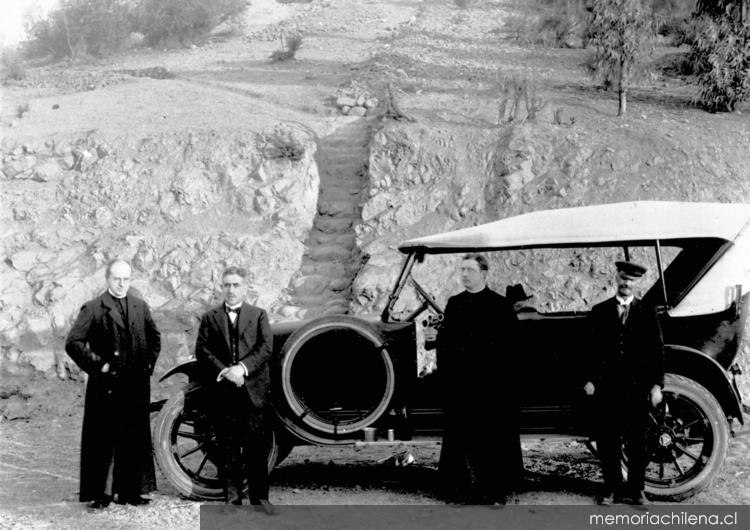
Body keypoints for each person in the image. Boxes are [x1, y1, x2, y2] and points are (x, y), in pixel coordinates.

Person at [426, 253, 522, 504]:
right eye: (462, 270)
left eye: (469, 269)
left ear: (484, 273)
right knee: (460, 439)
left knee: (491, 441)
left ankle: (493, 493)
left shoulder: (500, 306)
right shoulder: (455, 304)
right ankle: (459, 492)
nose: (464, 274)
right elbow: (445, 345)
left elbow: (511, 350)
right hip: (461, 385)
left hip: (491, 387)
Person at [65, 259, 161, 509]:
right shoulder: (94, 308)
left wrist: (146, 367)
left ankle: (130, 492)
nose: (121, 284)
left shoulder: (140, 307)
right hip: (106, 386)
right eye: (117, 279)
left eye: (126, 279)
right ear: (107, 279)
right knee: (103, 440)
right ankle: (102, 494)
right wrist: (100, 366)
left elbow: (154, 338)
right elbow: (73, 342)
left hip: (135, 386)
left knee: (133, 439)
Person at [195, 266, 278, 515]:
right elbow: (202, 349)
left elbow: (266, 348)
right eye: (227, 285)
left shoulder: (259, 315)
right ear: (222, 287)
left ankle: (259, 499)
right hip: (224, 393)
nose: (231, 290)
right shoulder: (210, 317)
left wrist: (242, 369)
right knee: (228, 447)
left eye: (236, 285)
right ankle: (232, 501)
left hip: (253, 391)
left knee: (257, 448)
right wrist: (225, 370)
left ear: (245, 287)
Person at [583, 260, 664, 506]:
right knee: (608, 442)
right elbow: (587, 350)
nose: (626, 283)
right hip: (607, 389)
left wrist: (656, 385)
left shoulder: (647, 313)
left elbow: (657, 352)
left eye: (631, 280)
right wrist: (589, 379)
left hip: (637, 390)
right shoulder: (599, 311)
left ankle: (636, 490)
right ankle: (611, 489)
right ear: (615, 278)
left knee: (637, 443)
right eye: (623, 278)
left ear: (636, 283)